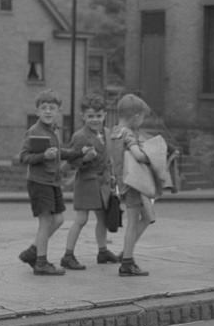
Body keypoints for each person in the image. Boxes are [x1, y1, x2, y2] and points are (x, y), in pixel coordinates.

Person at [18, 89, 73, 276]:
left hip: (53, 182)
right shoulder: (34, 131)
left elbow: (60, 152)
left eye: (52, 108)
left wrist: (80, 153)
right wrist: (43, 156)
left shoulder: (53, 130)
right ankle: (41, 262)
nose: (48, 111)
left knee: (59, 219)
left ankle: (33, 251)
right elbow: (24, 157)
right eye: (44, 108)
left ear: (58, 111)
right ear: (37, 112)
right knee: (45, 221)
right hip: (39, 182)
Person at [60, 93, 118, 269]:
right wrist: (84, 159)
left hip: (104, 182)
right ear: (83, 116)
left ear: (105, 115)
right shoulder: (79, 136)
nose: (95, 120)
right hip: (86, 182)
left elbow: (109, 158)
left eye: (98, 116)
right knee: (81, 219)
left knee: (102, 218)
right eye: (90, 116)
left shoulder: (106, 133)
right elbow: (69, 163)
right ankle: (68, 255)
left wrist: (113, 176)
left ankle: (102, 251)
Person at [107, 93, 158, 276]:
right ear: (136, 116)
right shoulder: (128, 133)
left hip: (123, 182)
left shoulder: (114, 131)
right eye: (142, 118)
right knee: (134, 221)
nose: (142, 122)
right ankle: (127, 262)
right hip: (134, 183)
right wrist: (152, 157)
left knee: (145, 217)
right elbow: (137, 155)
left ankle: (126, 252)